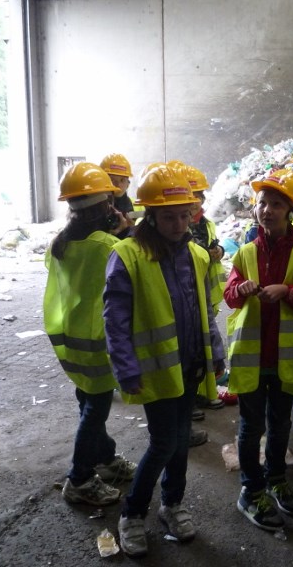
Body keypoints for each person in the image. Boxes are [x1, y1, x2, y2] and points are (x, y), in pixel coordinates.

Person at [103, 164, 226, 557]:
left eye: (184, 215)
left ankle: (172, 505)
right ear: (150, 216)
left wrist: (216, 353)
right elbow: (115, 320)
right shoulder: (127, 255)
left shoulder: (196, 254)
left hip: (189, 365)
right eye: (168, 216)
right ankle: (133, 513)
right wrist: (125, 368)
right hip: (155, 370)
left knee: (176, 445)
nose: (177, 224)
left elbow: (205, 307)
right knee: (164, 443)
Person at [224, 168, 293, 531]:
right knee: (251, 426)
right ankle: (251, 490)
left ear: (291, 211)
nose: (266, 210)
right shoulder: (246, 252)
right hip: (252, 359)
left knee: (280, 424)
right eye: (262, 203)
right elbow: (229, 295)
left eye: (276, 204)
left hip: (284, 359)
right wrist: (239, 290)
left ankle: (276, 479)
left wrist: (288, 291)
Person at [44, 162, 137, 506]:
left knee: (87, 399)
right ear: (104, 207)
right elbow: (131, 262)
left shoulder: (60, 242)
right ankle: (80, 479)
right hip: (98, 340)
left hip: (69, 339)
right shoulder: (107, 245)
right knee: (95, 408)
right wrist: (126, 233)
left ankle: (106, 459)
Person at [168, 160, 232, 410]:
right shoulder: (177, 225)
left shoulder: (204, 222)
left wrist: (218, 250)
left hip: (204, 287)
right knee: (192, 338)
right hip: (187, 287)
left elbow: (212, 243)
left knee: (205, 333)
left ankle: (209, 380)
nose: (197, 201)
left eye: (199, 196)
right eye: (192, 195)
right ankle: (195, 394)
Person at [100, 153, 136, 237]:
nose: (118, 184)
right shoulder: (97, 207)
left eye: (122, 180)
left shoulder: (137, 205)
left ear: (128, 184)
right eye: (112, 180)